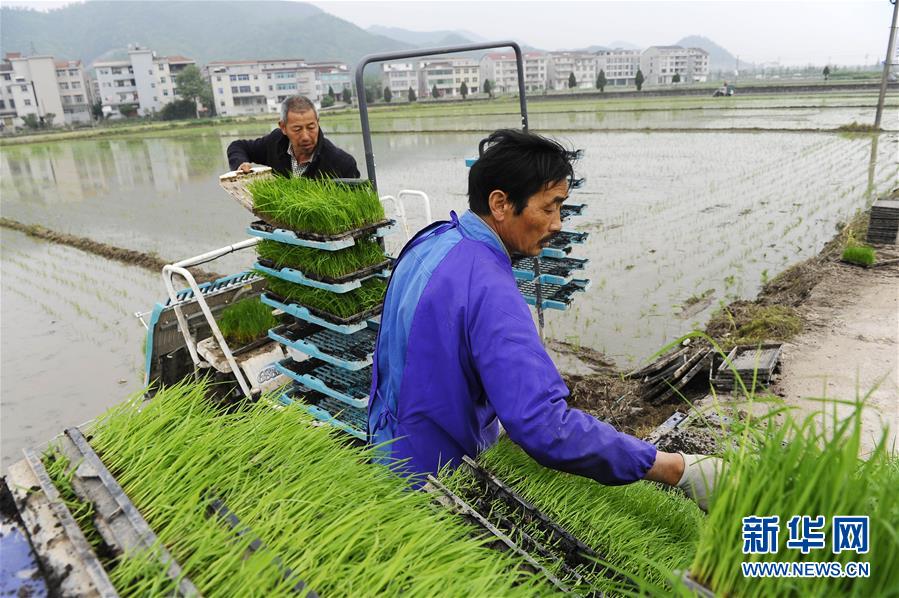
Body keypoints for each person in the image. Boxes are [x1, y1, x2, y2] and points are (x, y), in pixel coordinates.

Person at [368, 129, 723, 511]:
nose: (557, 224)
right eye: (549, 207)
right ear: (501, 204)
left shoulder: (432, 240)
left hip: (386, 451)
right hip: (433, 484)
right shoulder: (490, 288)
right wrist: (673, 468)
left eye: (562, 208)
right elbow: (543, 425)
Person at [227, 95, 359, 179]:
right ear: (283, 127)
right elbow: (238, 146)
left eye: (311, 127)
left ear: (318, 122)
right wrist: (240, 164)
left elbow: (357, 209)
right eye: (297, 129)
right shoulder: (275, 142)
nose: (306, 136)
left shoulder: (342, 163)